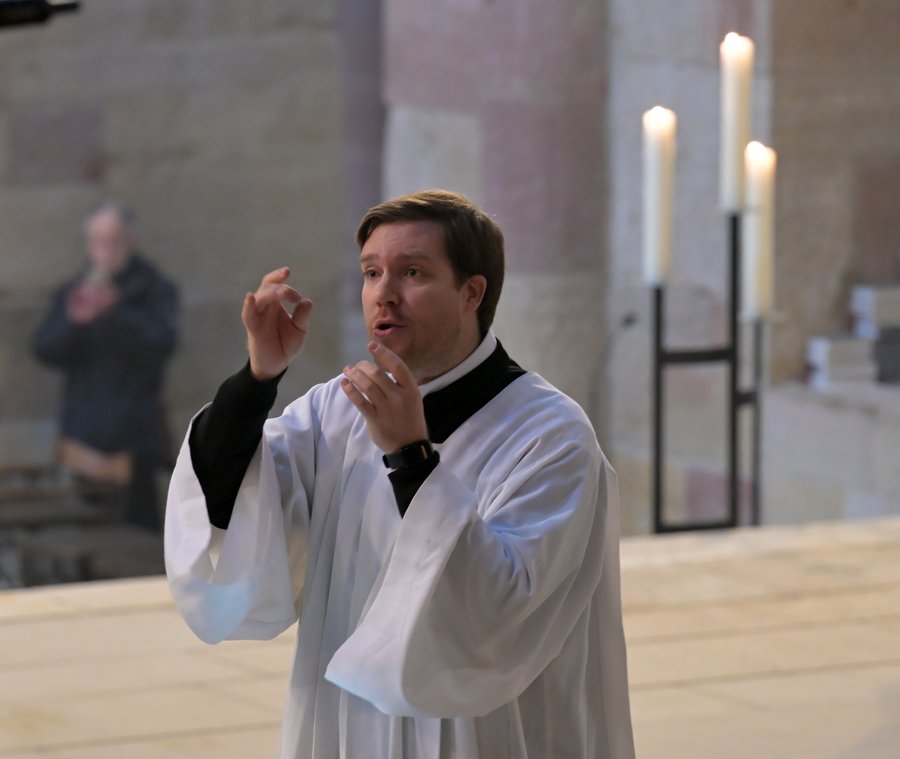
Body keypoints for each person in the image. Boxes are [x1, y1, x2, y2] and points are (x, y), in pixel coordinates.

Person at [165, 190, 635, 757]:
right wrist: (258, 378)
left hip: (488, 733)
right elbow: (230, 503)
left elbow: (497, 620)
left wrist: (410, 458)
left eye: (412, 272)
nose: (383, 294)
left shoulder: (549, 434)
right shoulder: (336, 410)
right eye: (371, 273)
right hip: (344, 725)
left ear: (472, 292)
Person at [34, 202, 178, 533]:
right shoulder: (76, 289)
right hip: (84, 431)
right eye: (97, 241)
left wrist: (115, 312)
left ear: (130, 241)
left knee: (138, 532)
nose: (104, 250)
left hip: (134, 434)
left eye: (112, 241)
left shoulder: (153, 288)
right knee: (83, 530)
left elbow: (162, 343)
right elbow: (45, 349)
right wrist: (74, 321)